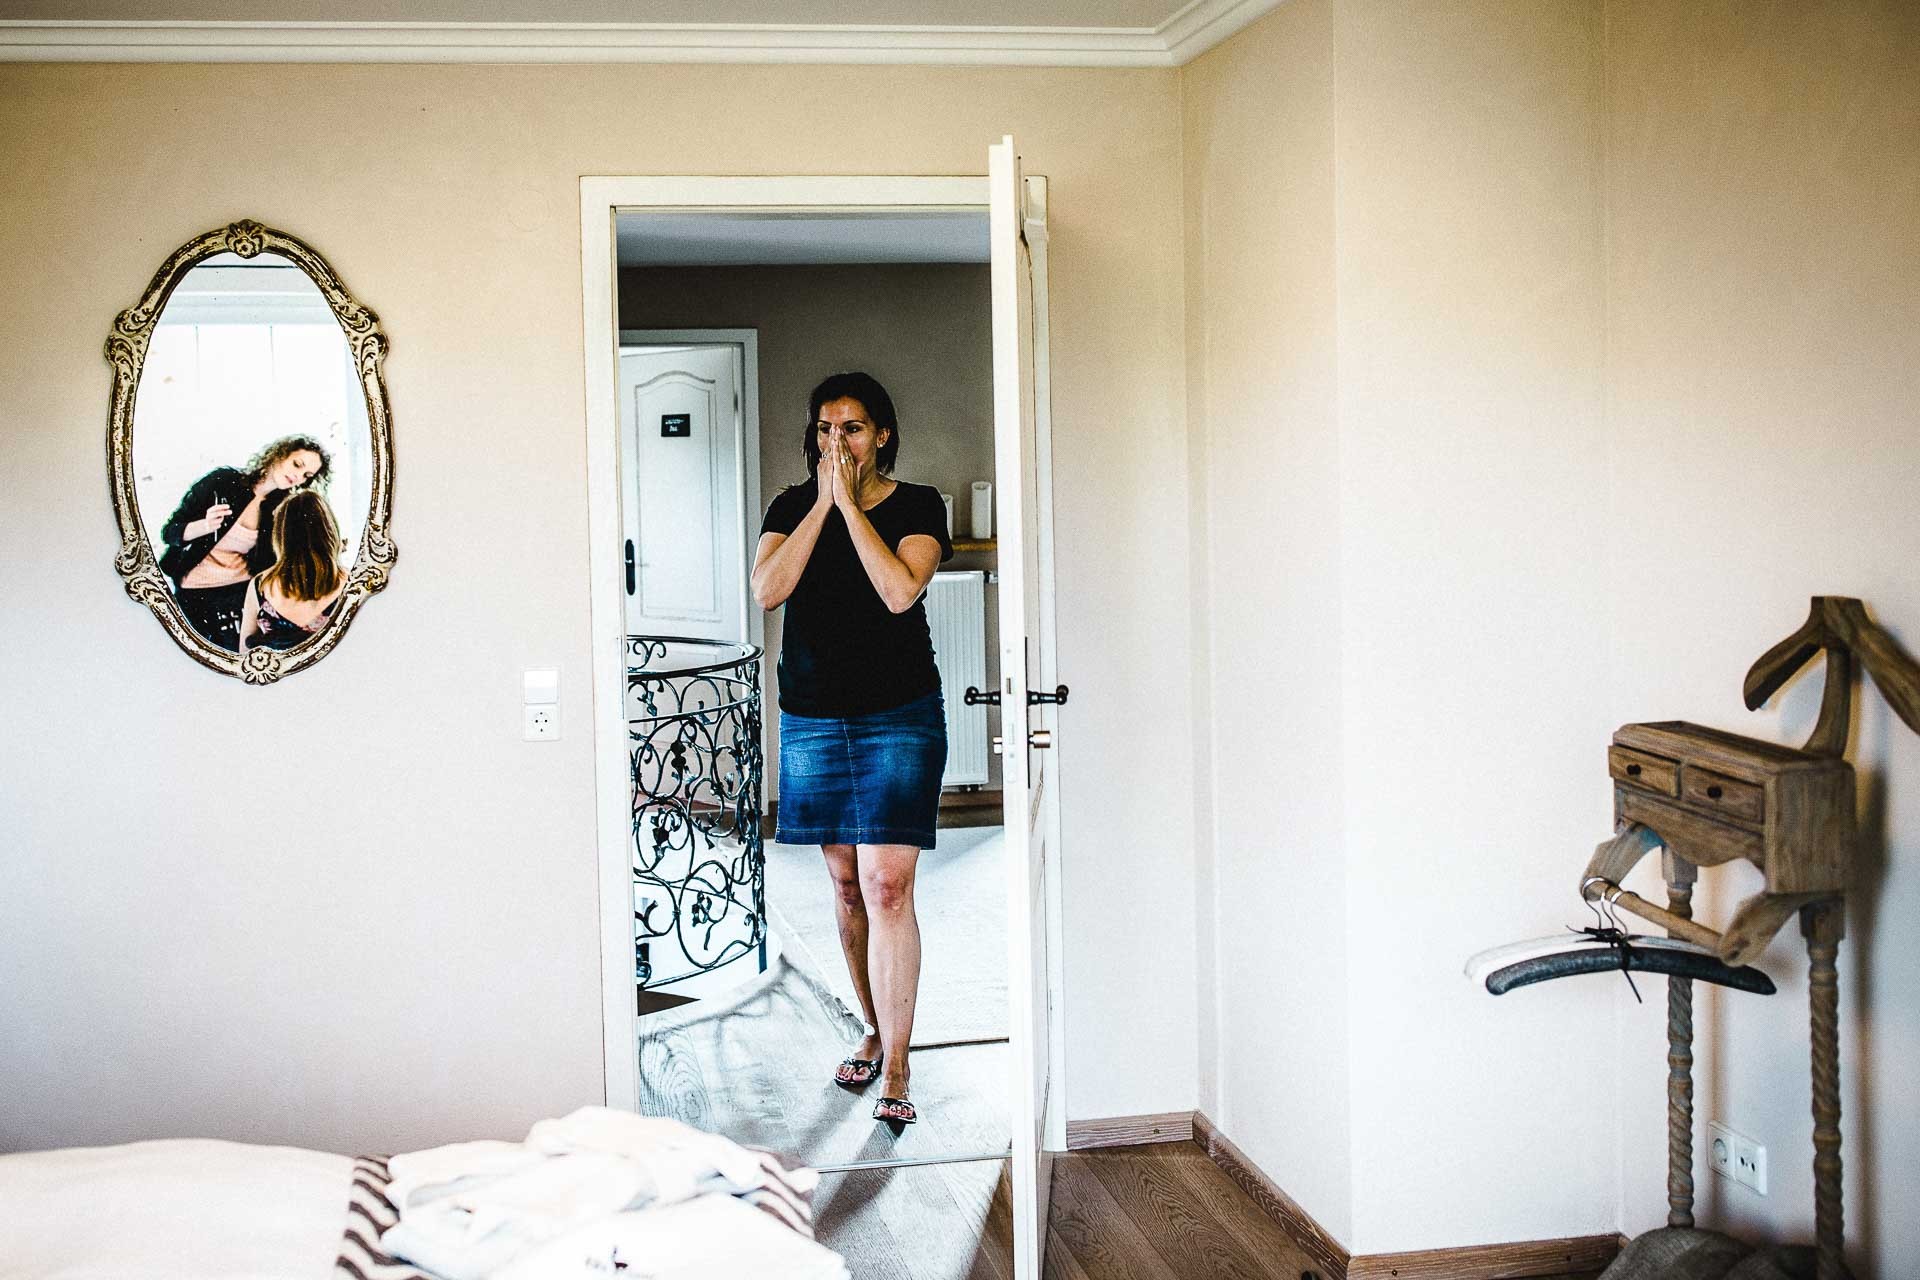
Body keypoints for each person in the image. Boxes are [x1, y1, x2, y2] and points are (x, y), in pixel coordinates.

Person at [751, 372, 954, 1129]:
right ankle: (872, 1025)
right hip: (813, 719)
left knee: (887, 884)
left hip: (898, 716)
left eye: (854, 428)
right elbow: (768, 589)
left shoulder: (917, 505)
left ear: (883, 435)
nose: (838, 442)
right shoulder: (788, 507)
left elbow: (900, 591)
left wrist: (851, 508)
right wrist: (822, 506)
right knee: (845, 886)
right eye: (825, 429)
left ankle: (897, 1060)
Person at [158, 436, 331, 650]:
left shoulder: (280, 509)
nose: (298, 476)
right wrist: (205, 525)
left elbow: (278, 561)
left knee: (237, 657)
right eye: (297, 464)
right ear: (280, 454)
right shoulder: (222, 482)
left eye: (307, 476)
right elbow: (170, 533)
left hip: (239, 593)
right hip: (193, 591)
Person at [238, 488, 347, 655]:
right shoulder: (352, 583)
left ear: (281, 536)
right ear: (330, 532)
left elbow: (244, 655)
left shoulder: (261, 585)